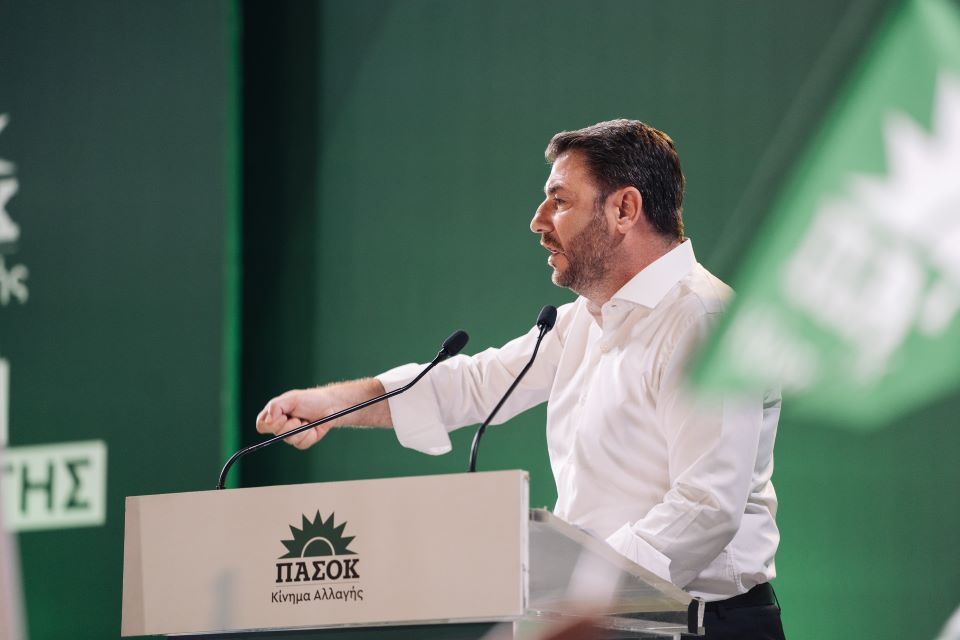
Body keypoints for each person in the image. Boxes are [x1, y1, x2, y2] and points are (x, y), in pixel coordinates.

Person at [256, 119, 785, 640]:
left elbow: (705, 506)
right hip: (606, 622)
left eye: (559, 200)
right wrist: (332, 404)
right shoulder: (581, 321)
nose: (537, 220)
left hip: (706, 626)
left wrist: (582, 601)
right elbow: (473, 385)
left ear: (625, 209)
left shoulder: (704, 320)